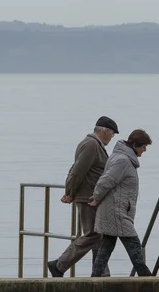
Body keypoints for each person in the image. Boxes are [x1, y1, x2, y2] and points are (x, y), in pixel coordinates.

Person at [47, 116, 119, 278]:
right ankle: (60, 264)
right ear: (105, 132)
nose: (111, 138)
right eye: (112, 134)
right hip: (88, 197)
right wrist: (69, 192)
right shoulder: (92, 144)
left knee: (97, 234)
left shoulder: (92, 144)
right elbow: (77, 170)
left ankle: (100, 273)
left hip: (92, 197)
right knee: (93, 234)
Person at [89, 129, 153, 277]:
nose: (144, 150)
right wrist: (97, 197)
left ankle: (94, 280)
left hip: (115, 209)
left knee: (106, 247)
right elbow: (106, 180)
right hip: (116, 211)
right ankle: (148, 281)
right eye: (143, 146)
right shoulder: (123, 161)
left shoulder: (121, 157)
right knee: (134, 246)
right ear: (135, 144)